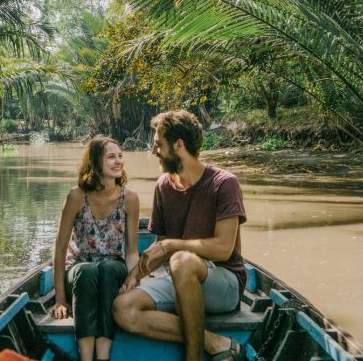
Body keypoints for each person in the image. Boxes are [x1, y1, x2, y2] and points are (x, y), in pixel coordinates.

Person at [112, 110, 247, 361]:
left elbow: (223, 249)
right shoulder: (163, 185)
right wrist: (135, 275)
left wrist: (171, 246)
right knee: (123, 308)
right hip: (179, 278)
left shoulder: (224, 183)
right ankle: (214, 342)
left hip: (224, 283)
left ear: (179, 145)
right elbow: (160, 244)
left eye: (158, 145)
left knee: (180, 260)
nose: (154, 152)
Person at [50, 136, 140, 361]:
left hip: (114, 268)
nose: (118, 161)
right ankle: (86, 357)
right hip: (80, 269)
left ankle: (103, 356)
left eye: (120, 156)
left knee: (109, 268)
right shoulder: (76, 196)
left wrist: (135, 282)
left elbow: (130, 251)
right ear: (95, 162)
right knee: (87, 270)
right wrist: (60, 299)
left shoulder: (129, 198)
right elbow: (60, 250)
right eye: (111, 157)